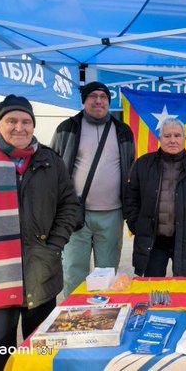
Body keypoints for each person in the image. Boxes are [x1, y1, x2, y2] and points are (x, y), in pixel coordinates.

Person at [0, 95, 81, 371]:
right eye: (12, 121)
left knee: (40, 352)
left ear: (33, 125)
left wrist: (54, 245)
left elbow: (69, 203)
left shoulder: (49, 159)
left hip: (40, 274)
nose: (19, 127)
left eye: (26, 122)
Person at [51, 81, 135, 299]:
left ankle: (104, 315)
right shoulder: (67, 128)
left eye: (104, 97)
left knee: (107, 274)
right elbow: (54, 168)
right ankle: (73, 315)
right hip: (76, 215)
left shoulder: (123, 131)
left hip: (112, 214)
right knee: (73, 271)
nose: (99, 101)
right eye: (93, 96)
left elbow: (130, 166)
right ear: (84, 101)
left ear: (109, 101)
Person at [122, 118, 186, 277]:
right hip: (154, 241)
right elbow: (131, 197)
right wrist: (137, 225)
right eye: (167, 136)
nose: (172, 140)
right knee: (154, 290)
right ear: (160, 139)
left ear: (184, 138)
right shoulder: (143, 164)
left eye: (177, 135)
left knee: (184, 291)